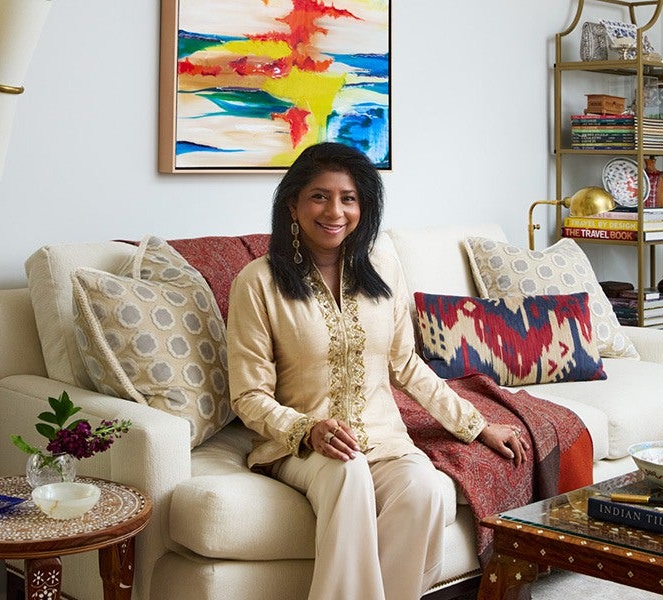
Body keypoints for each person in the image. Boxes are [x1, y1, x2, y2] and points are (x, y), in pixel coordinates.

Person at [226, 142, 530, 600]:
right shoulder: (258, 282)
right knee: (348, 474)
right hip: (303, 446)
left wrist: (477, 424)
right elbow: (248, 395)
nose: (335, 211)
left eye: (348, 198)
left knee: (426, 489)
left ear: (363, 206)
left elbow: (406, 364)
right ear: (292, 203)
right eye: (319, 196)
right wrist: (308, 430)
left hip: (384, 439)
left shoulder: (383, 267)